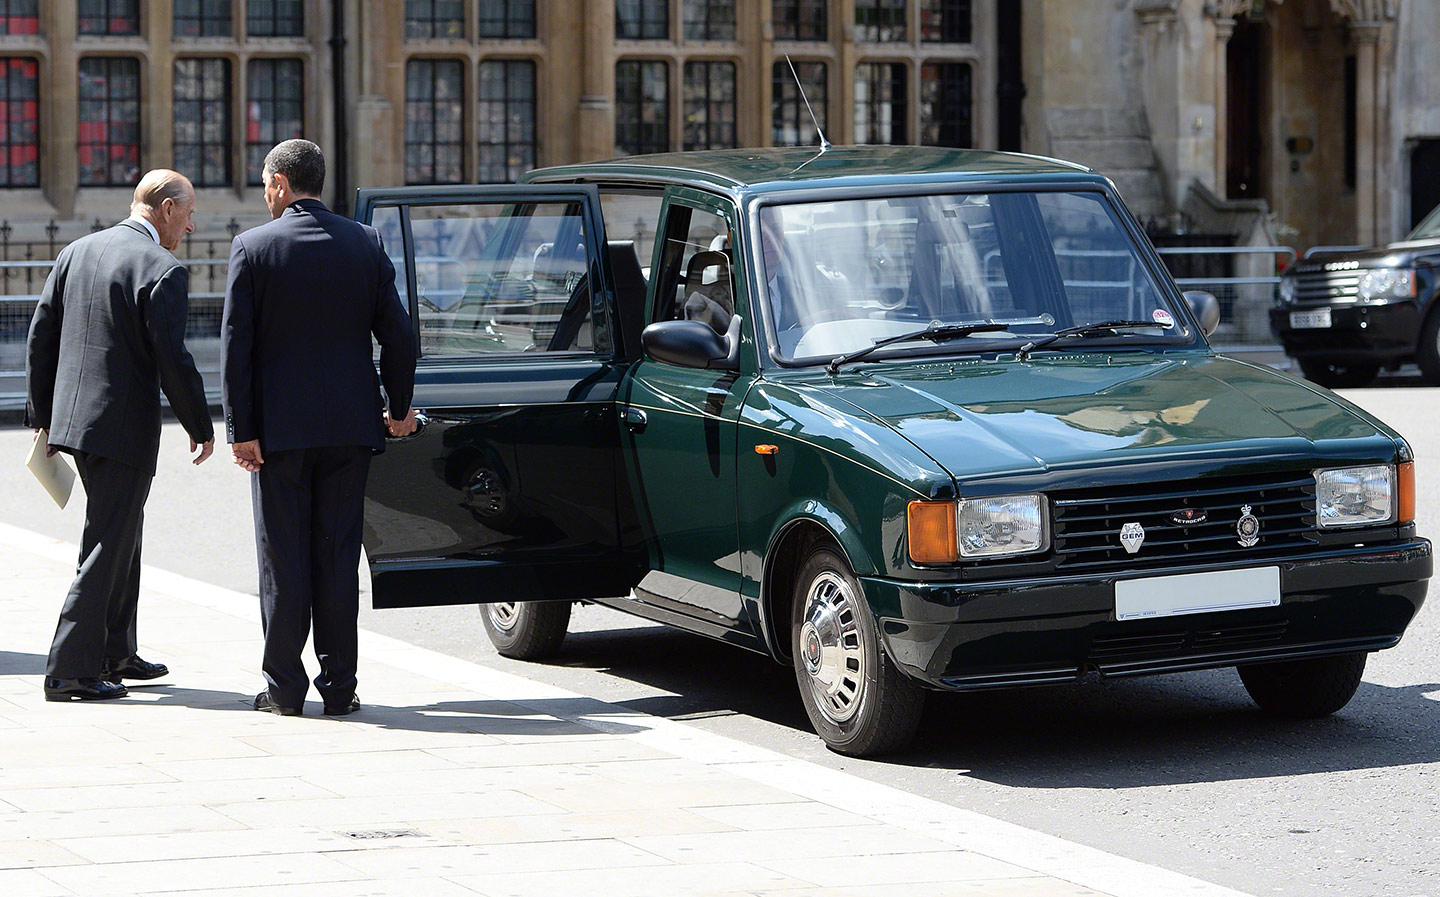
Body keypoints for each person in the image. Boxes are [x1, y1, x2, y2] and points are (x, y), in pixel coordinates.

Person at [221, 139, 416, 717]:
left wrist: (241, 428)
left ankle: (283, 689)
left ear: (280, 184)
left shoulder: (252, 247)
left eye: (264, 183)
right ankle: (339, 689)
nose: (263, 193)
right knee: (336, 559)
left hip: (279, 434)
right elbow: (400, 336)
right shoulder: (365, 242)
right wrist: (399, 407)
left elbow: (237, 349)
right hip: (350, 429)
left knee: (282, 559)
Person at [26, 169, 215, 702]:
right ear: (165, 209)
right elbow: (173, 360)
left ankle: (116, 652)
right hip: (121, 427)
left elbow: (42, 332)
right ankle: (70, 669)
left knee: (121, 531)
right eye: (190, 212)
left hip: (74, 422)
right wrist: (201, 425)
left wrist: (44, 414)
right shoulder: (162, 268)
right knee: (108, 541)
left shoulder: (77, 251)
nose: (194, 225)